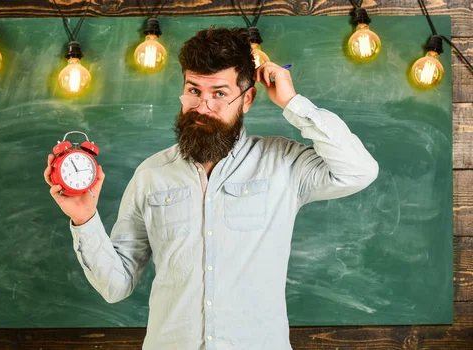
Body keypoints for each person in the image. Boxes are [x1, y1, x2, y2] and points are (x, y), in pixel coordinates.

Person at [44, 27, 379, 350]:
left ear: (247, 99)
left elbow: (359, 171)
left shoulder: (283, 163)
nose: (203, 106)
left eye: (219, 93)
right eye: (194, 91)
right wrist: (85, 219)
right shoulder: (151, 174)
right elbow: (116, 286)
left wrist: (292, 103)